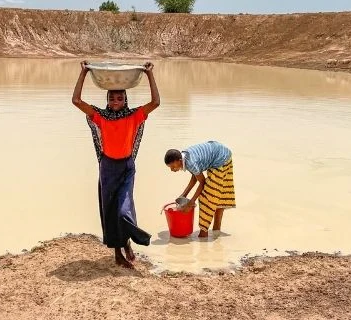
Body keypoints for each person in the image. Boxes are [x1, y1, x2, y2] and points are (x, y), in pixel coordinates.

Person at [72, 62, 160, 268]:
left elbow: (156, 101)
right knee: (110, 210)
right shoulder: (101, 117)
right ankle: (118, 252)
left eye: (119, 98)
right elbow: (76, 100)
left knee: (124, 207)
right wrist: (83, 72)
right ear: (107, 100)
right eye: (111, 98)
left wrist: (149, 74)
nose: (115, 102)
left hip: (127, 167)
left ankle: (128, 240)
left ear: (125, 99)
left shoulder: (134, 116)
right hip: (108, 168)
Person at [164, 140, 235, 239]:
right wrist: (183, 195)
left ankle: (203, 233)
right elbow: (195, 177)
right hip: (222, 153)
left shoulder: (190, 162)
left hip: (221, 159)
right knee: (218, 195)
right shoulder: (185, 156)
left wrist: (191, 203)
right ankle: (216, 231)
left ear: (179, 160)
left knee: (206, 197)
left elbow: (202, 182)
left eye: (173, 166)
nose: (172, 170)